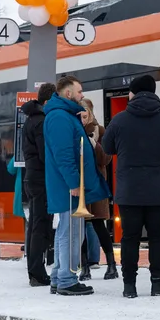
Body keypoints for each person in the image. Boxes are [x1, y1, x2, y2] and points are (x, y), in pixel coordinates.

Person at [103, 74, 160, 298]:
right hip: (158, 191)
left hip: (129, 191)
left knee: (129, 238)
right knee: (158, 237)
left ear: (132, 93)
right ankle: (157, 283)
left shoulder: (119, 120)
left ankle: (129, 286)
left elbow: (107, 147)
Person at [44, 75, 109, 296]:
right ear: (68, 93)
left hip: (67, 184)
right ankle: (67, 279)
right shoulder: (60, 117)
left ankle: (58, 276)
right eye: (79, 91)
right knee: (72, 232)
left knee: (67, 230)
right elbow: (64, 154)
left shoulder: (64, 116)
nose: (82, 95)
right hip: (69, 186)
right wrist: (73, 182)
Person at [20, 83, 55, 287]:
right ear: (47, 101)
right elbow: (44, 154)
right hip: (41, 178)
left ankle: (34, 271)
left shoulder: (30, 119)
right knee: (40, 226)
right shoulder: (41, 121)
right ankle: (37, 273)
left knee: (34, 225)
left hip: (31, 177)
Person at [80, 97, 116, 281]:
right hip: (80, 186)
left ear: (91, 113)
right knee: (80, 227)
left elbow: (106, 159)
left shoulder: (100, 131)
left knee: (99, 224)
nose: (82, 119)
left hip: (96, 185)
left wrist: (95, 144)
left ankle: (111, 265)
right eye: (80, 115)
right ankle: (84, 266)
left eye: (85, 115)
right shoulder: (73, 130)